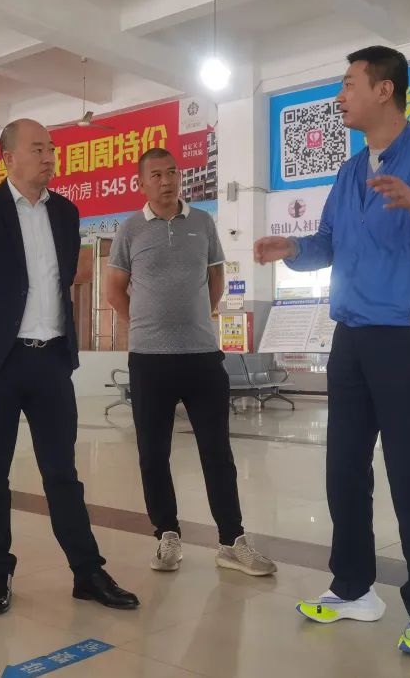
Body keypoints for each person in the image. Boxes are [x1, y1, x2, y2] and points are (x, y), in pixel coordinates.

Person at [254, 47, 410, 658]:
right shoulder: (351, 171)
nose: (340, 96)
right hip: (350, 335)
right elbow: (328, 242)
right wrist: (290, 250)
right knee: (344, 470)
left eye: (349, 83)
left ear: (384, 90)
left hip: (408, 335)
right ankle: (353, 590)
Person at [0, 118, 139, 616]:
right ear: (8, 158)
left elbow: (63, 277)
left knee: (62, 472)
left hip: (50, 359)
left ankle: (87, 571)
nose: (49, 156)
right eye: (38, 148)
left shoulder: (66, 213)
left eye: (51, 148)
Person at [106, 148, 276, 578]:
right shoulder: (129, 230)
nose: (167, 181)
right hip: (149, 361)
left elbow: (216, 278)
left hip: (202, 356)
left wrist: (199, 316)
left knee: (217, 452)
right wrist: (143, 324)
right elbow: (114, 290)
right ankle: (167, 535)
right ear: (141, 183)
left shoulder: (203, 222)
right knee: (153, 454)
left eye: (172, 173)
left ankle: (232, 541)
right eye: (156, 175)